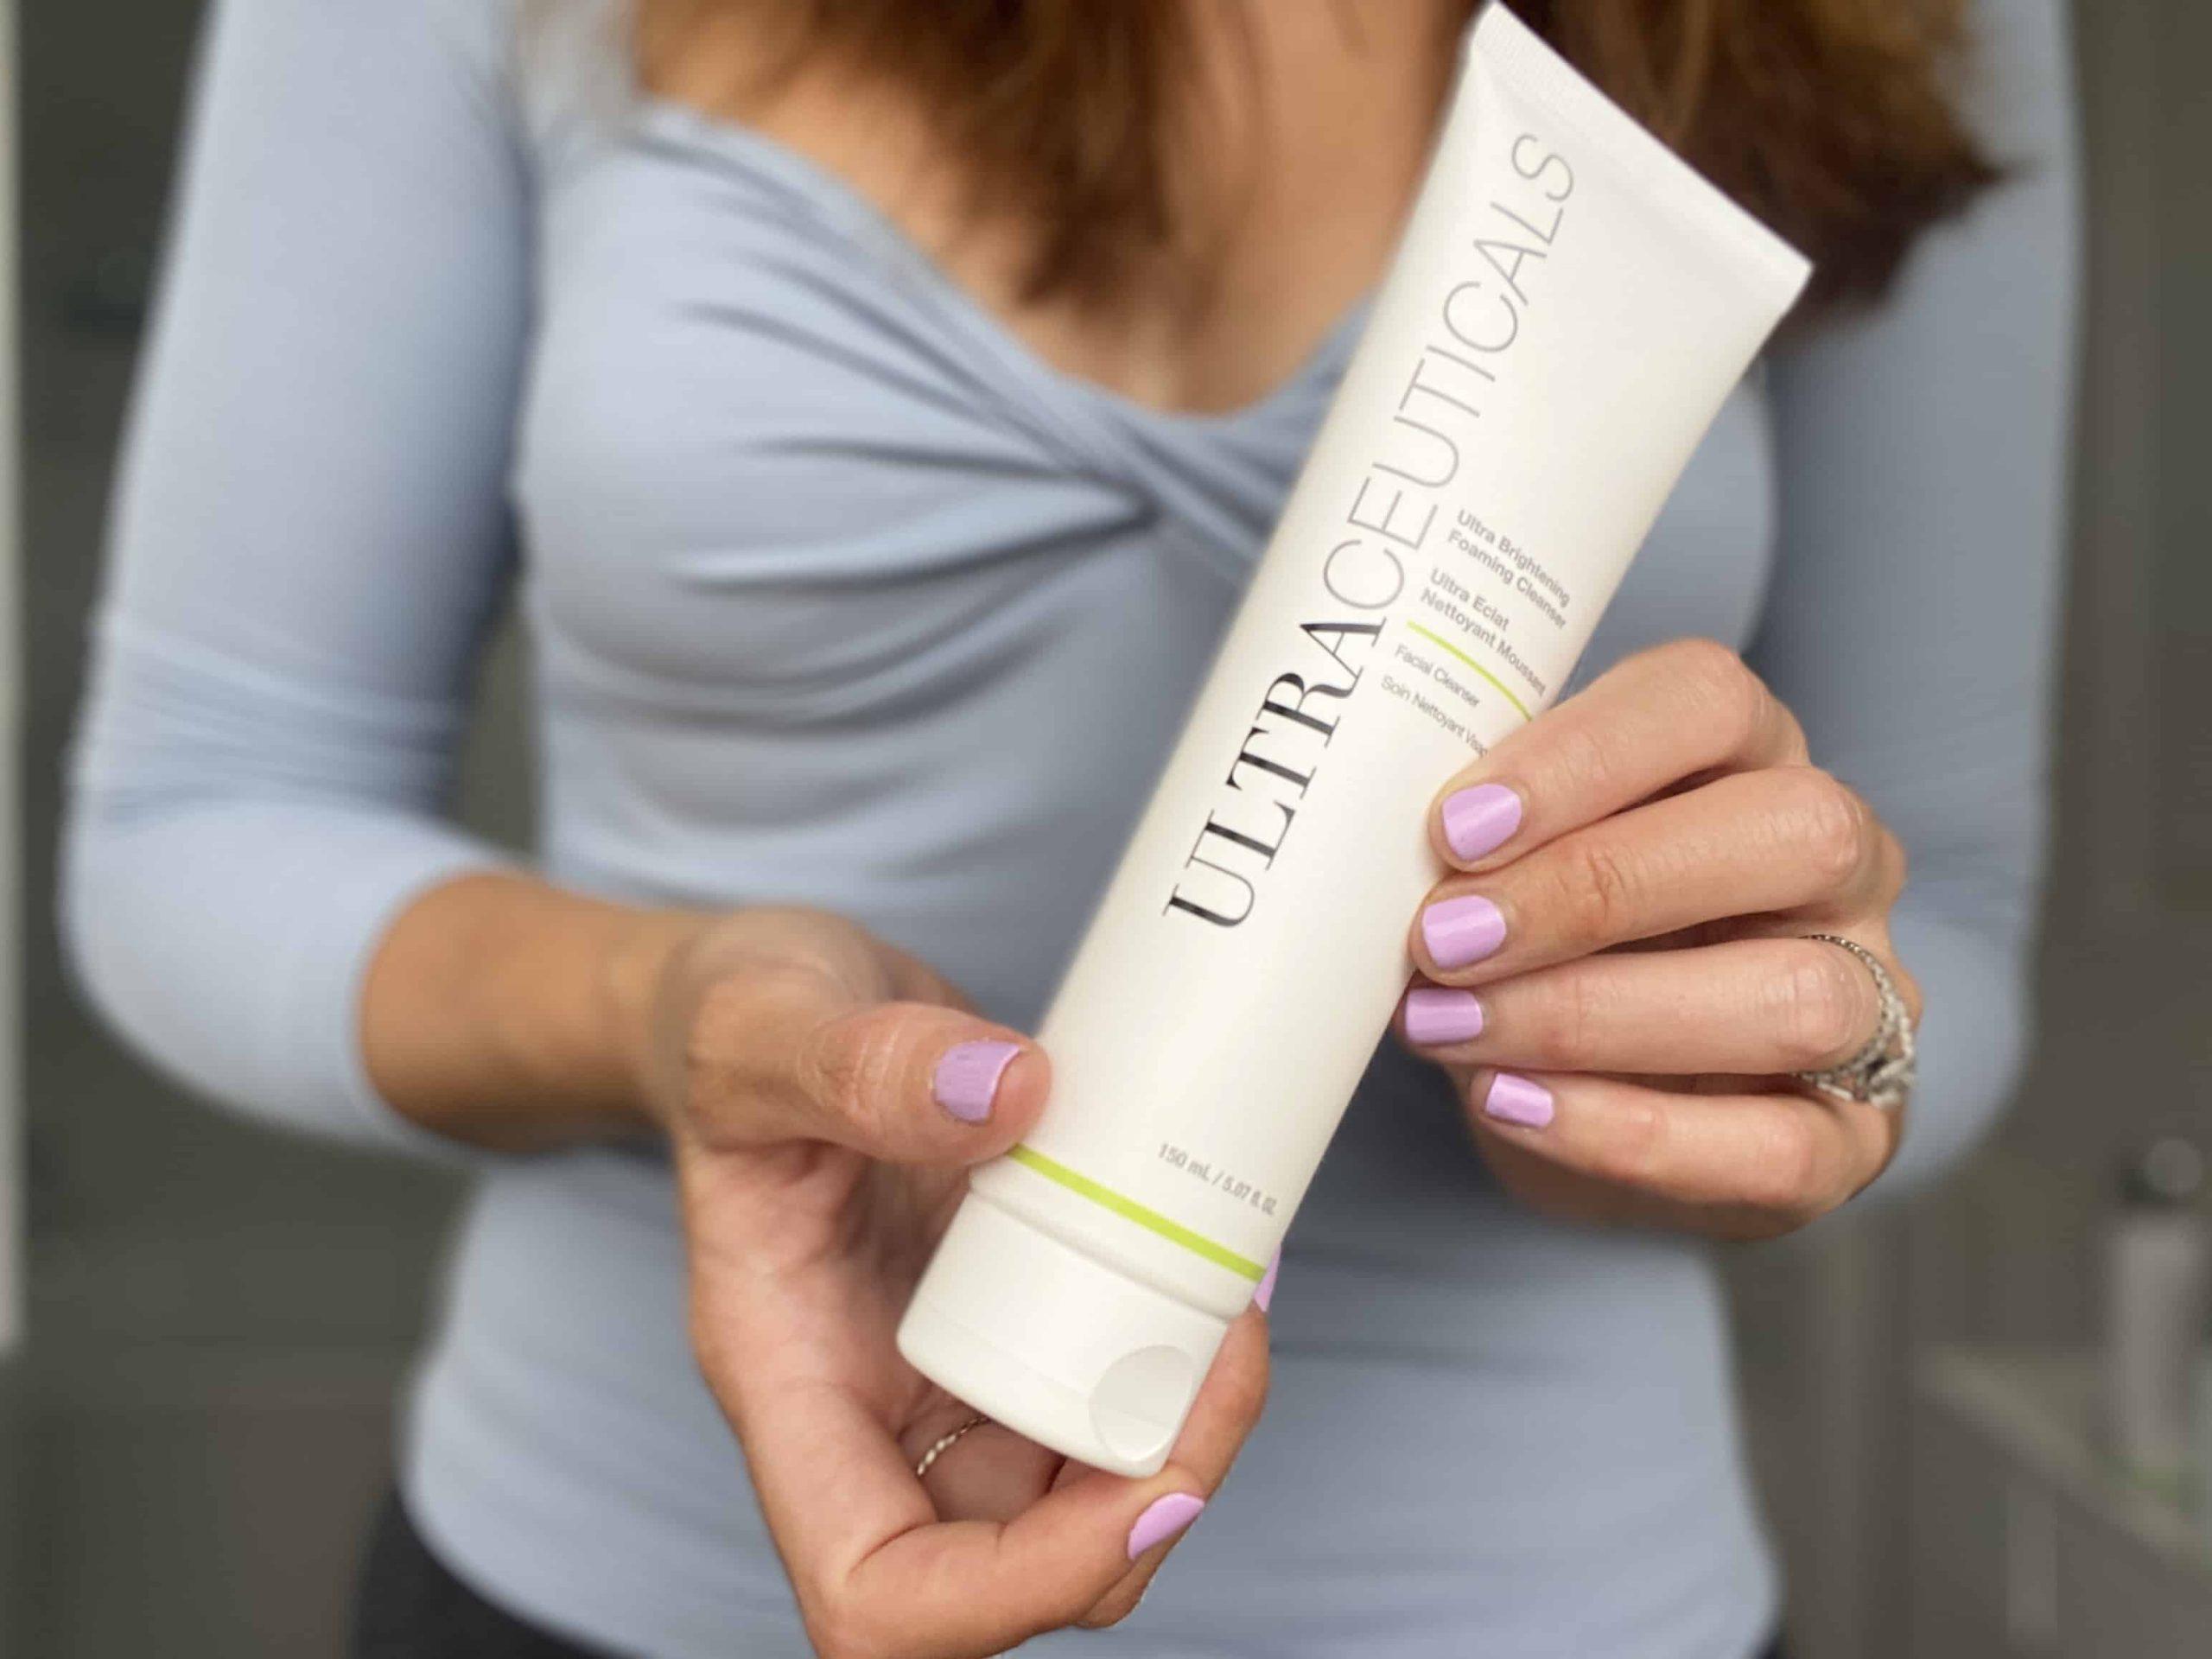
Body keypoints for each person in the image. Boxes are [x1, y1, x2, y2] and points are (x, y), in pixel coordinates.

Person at [62, 1, 2077, 1654]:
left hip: (1559, 1603)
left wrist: (1716, 1073)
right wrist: (669, 1008)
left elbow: (1949, 927)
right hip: (612, 1578)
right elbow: (199, 817)